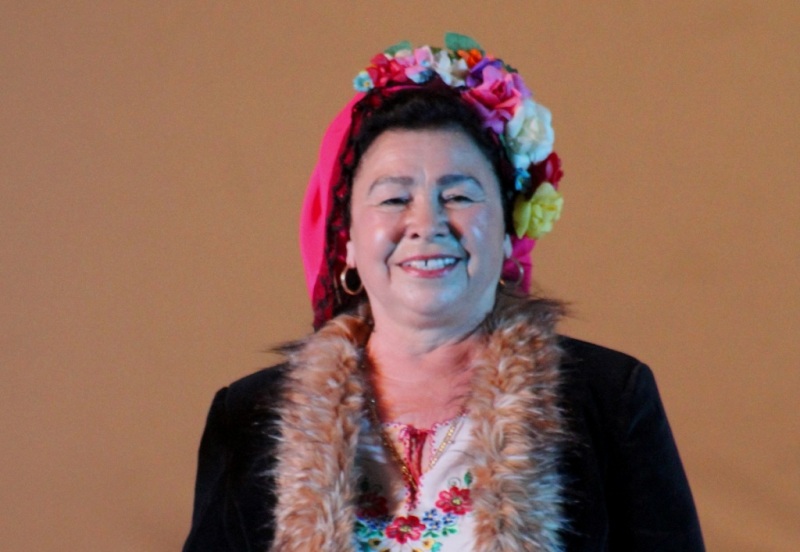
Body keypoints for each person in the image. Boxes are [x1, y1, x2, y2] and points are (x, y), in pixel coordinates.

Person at [182, 34, 704, 551]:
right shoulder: (248, 417)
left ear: (507, 233)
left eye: (458, 195)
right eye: (393, 199)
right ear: (348, 242)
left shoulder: (610, 399)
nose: (427, 223)